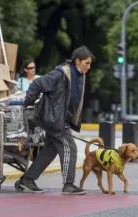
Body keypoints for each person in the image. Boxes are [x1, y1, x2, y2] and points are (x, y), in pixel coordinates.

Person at [17, 46, 95, 195]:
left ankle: (27, 180)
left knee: (50, 150)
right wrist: (28, 103)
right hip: (52, 119)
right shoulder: (60, 74)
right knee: (70, 148)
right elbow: (36, 84)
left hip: (59, 118)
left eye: (90, 63)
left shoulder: (79, 75)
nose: (89, 67)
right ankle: (68, 185)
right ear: (77, 61)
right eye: (86, 63)